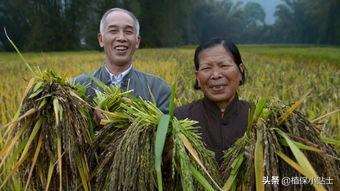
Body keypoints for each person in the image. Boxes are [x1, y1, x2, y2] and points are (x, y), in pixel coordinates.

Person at [74, 8, 170, 113]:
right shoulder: (77, 88)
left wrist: (131, 118)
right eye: (113, 31)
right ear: (101, 39)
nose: (121, 38)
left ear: (137, 41)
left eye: (128, 32)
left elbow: (166, 127)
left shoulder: (158, 89)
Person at [175, 38, 251, 166]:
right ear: (197, 77)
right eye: (206, 68)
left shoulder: (259, 118)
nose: (216, 75)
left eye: (224, 66)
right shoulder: (179, 119)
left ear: (241, 70)